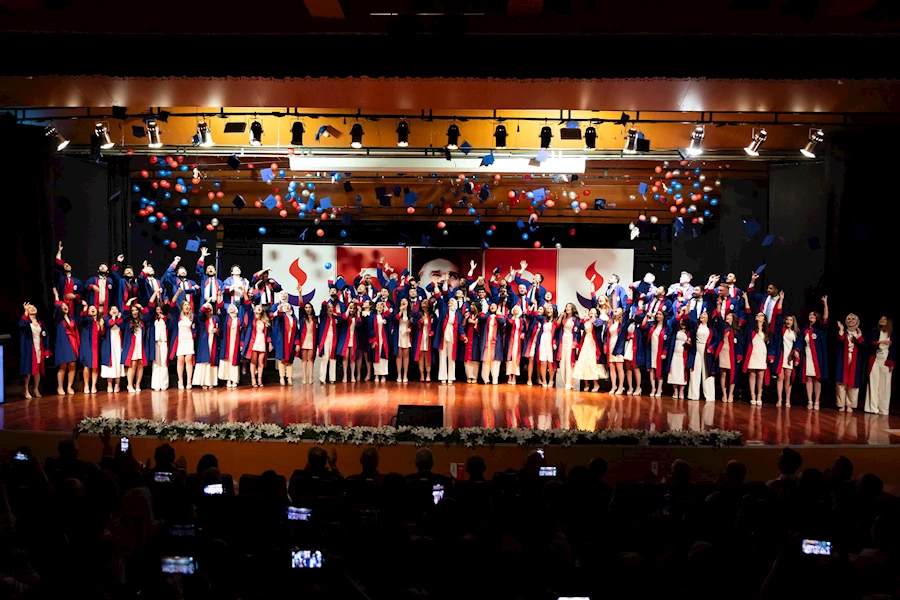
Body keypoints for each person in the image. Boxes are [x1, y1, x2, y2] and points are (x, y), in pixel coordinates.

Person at [798, 296, 829, 410]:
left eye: (814, 315)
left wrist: (825, 304)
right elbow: (799, 343)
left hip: (818, 357)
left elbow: (825, 319)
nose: (811, 316)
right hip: (807, 357)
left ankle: (817, 401)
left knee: (817, 379)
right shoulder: (804, 330)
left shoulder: (820, 331)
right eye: (810, 315)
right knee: (808, 379)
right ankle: (810, 401)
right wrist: (796, 352)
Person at [742, 298, 774, 406]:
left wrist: (771, 356)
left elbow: (771, 345)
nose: (758, 316)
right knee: (752, 375)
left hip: (762, 355)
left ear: (764, 319)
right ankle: (752, 395)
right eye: (757, 315)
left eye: (761, 315)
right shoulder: (751, 328)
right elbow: (748, 314)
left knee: (761, 376)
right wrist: (746, 299)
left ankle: (759, 395)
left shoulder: (767, 332)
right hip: (752, 354)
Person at [770, 292, 799, 408]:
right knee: (780, 378)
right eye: (787, 320)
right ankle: (779, 399)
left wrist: (796, 353)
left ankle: (787, 399)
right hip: (781, 356)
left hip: (789, 358)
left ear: (793, 321)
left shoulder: (796, 332)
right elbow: (778, 315)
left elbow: (798, 345)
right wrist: (781, 300)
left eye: (790, 320)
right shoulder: (781, 330)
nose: (788, 322)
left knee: (788, 379)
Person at [835, 313, 865, 412]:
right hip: (843, 359)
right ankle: (841, 404)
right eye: (849, 319)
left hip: (855, 360)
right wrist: (841, 331)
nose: (851, 321)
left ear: (857, 322)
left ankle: (850, 404)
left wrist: (858, 336)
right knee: (841, 382)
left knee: (853, 383)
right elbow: (838, 344)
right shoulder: (843, 333)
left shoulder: (859, 333)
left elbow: (864, 346)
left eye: (853, 319)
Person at [52, 288, 79, 395]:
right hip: (63, 343)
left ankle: (69, 387)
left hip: (73, 342)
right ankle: (60, 387)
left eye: (66, 305)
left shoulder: (72, 318)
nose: (65, 307)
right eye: (62, 306)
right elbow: (57, 307)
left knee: (72, 364)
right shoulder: (58, 319)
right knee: (63, 366)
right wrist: (57, 297)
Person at [20, 301, 50, 398]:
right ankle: (26, 390)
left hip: (39, 347)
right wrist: (25, 312)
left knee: (37, 369)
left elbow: (46, 336)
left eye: (34, 307)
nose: (32, 308)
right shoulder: (26, 323)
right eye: (30, 308)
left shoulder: (40, 323)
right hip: (29, 348)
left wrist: (47, 350)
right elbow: (21, 325)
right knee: (28, 369)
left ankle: (36, 388)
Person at [865, 316, 894, 415]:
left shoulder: (892, 334)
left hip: (886, 360)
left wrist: (891, 362)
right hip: (875, 359)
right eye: (880, 319)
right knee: (873, 383)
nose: (882, 320)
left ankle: (883, 409)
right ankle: (873, 408)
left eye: (884, 319)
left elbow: (894, 349)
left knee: (884, 385)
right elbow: (869, 343)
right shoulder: (875, 332)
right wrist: (880, 342)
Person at [121, 297, 151, 393]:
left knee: (140, 364)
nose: (134, 312)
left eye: (136, 310)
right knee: (133, 364)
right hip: (132, 345)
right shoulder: (127, 321)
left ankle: (137, 384)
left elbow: (148, 316)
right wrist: (129, 302)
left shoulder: (142, 321)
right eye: (133, 310)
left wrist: (141, 307)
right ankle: (130, 384)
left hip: (140, 345)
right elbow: (124, 314)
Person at [712, 311, 742, 403]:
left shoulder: (738, 330)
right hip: (723, 352)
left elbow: (741, 344)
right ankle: (724, 393)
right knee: (723, 373)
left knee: (732, 374)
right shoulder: (724, 328)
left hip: (732, 353)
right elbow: (719, 319)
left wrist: (739, 355)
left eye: (729, 315)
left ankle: (730, 394)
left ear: (733, 318)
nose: (727, 316)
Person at [270, 291, 298, 386]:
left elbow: (296, 329)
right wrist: (279, 311)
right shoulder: (277, 309)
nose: (284, 295)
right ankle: (282, 377)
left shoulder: (293, 317)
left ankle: (289, 377)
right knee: (281, 358)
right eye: (282, 294)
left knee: (290, 359)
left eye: (285, 294)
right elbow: (275, 316)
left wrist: (297, 342)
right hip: (281, 336)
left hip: (291, 338)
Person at [192, 296, 221, 389]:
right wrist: (206, 303)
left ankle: (211, 381)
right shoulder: (202, 319)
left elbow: (220, 328)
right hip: (204, 342)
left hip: (213, 341)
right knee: (204, 360)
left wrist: (217, 330)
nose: (209, 312)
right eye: (207, 310)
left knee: (212, 360)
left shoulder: (216, 318)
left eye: (210, 310)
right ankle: (203, 381)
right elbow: (200, 313)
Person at [687, 310, 715, 401]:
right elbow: (691, 334)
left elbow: (715, 340)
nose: (702, 315)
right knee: (695, 371)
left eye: (704, 314)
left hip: (706, 350)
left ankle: (709, 395)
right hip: (696, 349)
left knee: (707, 372)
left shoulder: (711, 328)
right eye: (701, 314)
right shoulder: (697, 326)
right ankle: (693, 395)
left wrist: (711, 348)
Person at [435, 296, 464, 384]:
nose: (449, 302)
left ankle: (451, 376)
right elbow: (440, 300)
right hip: (443, 335)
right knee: (442, 356)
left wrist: (463, 335)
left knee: (452, 357)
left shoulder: (458, 314)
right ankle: (442, 376)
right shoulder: (444, 311)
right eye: (449, 301)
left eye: (452, 301)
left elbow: (459, 326)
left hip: (452, 335)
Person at [643, 310, 671, 397]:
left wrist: (664, 352)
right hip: (651, 350)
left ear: (663, 316)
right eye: (657, 314)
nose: (658, 316)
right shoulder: (652, 325)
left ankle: (659, 388)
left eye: (660, 314)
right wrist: (647, 317)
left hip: (660, 351)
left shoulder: (667, 328)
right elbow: (643, 326)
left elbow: (667, 342)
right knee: (651, 369)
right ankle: (653, 388)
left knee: (660, 370)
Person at [172, 290, 196, 390]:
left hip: (189, 340)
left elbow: (196, 328)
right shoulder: (178, 316)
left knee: (188, 360)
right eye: (185, 305)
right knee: (180, 360)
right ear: (182, 307)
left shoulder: (193, 317)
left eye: (188, 305)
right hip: (180, 341)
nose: (187, 306)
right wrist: (177, 293)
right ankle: (180, 380)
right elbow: (172, 303)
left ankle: (189, 381)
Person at [79, 301, 105, 394]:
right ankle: (86, 385)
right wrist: (85, 308)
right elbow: (82, 319)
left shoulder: (99, 321)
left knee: (95, 366)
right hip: (87, 345)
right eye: (90, 308)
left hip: (96, 346)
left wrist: (101, 325)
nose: (92, 309)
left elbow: (102, 334)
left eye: (94, 308)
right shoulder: (87, 320)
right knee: (86, 366)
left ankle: (94, 385)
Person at [242, 303, 271, 387]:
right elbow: (248, 308)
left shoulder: (264, 320)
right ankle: (253, 379)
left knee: (260, 361)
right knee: (253, 361)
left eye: (260, 307)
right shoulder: (252, 318)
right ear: (254, 310)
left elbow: (268, 333)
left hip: (262, 341)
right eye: (257, 307)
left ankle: (259, 379)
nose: (259, 308)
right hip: (254, 341)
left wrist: (269, 343)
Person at [217, 301, 244, 388]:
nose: (231, 308)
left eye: (233, 307)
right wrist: (219, 298)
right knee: (227, 360)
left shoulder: (239, 320)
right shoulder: (226, 318)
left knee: (234, 360)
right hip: (227, 343)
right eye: (230, 307)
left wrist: (241, 344)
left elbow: (242, 333)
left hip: (236, 342)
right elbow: (221, 309)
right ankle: (228, 379)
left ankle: (234, 379)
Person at [148, 292, 171, 391]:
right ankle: (156, 384)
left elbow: (171, 327)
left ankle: (164, 383)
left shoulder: (167, 318)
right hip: (156, 342)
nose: (159, 311)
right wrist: (155, 293)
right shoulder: (153, 318)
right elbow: (149, 305)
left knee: (164, 362)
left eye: (160, 309)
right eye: (157, 309)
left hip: (164, 342)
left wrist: (164, 318)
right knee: (156, 363)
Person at [479, 302, 506, 385]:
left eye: (494, 305)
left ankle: (495, 378)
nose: (493, 306)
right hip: (487, 341)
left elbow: (502, 322)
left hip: (496, 342)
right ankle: (485, 378)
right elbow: (481, 319)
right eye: (491, 305)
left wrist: (498, 314)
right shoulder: (487, 316)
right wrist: (484, 310)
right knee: (486, 360)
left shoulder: (499, 316)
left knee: (496, 361)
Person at [666, 312, 692, 399]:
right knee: (674, 371)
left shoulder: (689, 332)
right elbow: (672, 322)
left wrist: (689, 343)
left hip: (683, 355)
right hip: (675, 354)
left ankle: (681, 391)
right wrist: (680, 314)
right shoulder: (675, 330)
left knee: (682, 372)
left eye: (684, 322)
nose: (682, 323)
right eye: (681, 321)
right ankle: (675, 391)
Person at [54, 241, 83, 318]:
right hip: (62, 306)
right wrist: (59, 252)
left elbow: (82, 294)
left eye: (68, 265)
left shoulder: (77, 281)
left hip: (74, 308)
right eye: (65, 265)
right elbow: (57, 265)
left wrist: (74, 296)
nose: (67, 265)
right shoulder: (61, 279)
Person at [337, 302, 364, 383]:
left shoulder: (356, 318)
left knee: (353, 358)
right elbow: (344, 318)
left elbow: (359, 325)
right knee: (345, 357)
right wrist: (348, 308)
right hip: (345, 339)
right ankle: (345, 375)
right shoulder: (345, 316)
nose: (352, 310)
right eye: (351, 308)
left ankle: (352, 375)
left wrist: (358, 313)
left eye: (353, 309)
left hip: (353, 339)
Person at [100, 305, 125, 392]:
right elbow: (109, 324)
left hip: (118, 345)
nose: (114, 310)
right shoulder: (106, 319)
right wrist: (113, 317)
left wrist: (118, 318)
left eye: (116, 309)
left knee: (118, 363)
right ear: (109, 312)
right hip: (109, 346)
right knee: (110, 365)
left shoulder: (120, 319)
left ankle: (117, 384)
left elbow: (122, 326)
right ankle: (109, 384)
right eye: (112, 309)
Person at [556, 302, 580, 390]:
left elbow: (577, 332)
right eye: (566, 307)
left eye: (569, 307)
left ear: (572, 309)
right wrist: (561, 316)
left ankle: (569, 383)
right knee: (563, 361)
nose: (567, 308)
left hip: (570, 339)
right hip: (563, 340)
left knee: (569, 361)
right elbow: (557, 325)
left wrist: (575, 343)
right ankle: (565, 381)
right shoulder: (564, 318)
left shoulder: (575, 319)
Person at [606, 307, 629, 394]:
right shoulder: (611, 322)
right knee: (612, 367)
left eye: (618, 309)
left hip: (619, 346)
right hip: (611, 345)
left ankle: (621, 386)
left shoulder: (622, 322)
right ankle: (613, 386)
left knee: (619, 367)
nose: (616, 310)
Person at [296, 292, 317, 385]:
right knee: (304, 360)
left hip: (312, 341)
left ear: (312, 308)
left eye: (309, 307)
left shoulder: (315, 318)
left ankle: (311, 377)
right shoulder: (302, 317)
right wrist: (300, 293)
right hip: (303, 341)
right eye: (306, 307)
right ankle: (304, 377)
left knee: (310, 360)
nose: (308, 309)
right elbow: (300, 305)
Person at [369, 300, 392, 383]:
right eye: (378, 305)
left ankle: (383, 375)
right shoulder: (372, 317)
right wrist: (373, 340)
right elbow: (370, 328)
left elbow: (390, 317)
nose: (379, 306)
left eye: (381, 305)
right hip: (376, 338)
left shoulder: (385, 316)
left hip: (384, 339)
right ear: (375, 307)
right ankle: (376, 375)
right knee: (376, 357)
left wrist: (385, 307)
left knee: (383, 357)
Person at [413, 298, 435, 382]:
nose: (424, 303)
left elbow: (435, 325)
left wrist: (432, 332)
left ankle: (428, 374)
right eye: (423, 302)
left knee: (428, 355)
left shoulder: (432, 314)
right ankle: (422, 374)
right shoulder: (417, 314)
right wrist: (420, 321)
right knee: (420, 355)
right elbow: (413, 325)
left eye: (426, 302)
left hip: (428, 337)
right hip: (420, 336)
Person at [317, 301, 339, 384]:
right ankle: (322, 378)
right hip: (325, 339)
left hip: (333, 338)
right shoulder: (323, 316)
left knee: (332, 358)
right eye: (329, 307)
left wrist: (338, 313)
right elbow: (322, 310)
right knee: (325, 357)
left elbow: (341, 321)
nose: (330, 309)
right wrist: (324, 303)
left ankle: (332, 378)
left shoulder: (335, 317)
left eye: (332, 307)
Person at [392, 297, 413, 383]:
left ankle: (405, 374)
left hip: (406, 335)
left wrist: (410, 329)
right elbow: (394, 320)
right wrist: (400, 311)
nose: (403, 302)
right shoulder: (397, 311)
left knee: (406, 355)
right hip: (399, 334)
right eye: (402, 301)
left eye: (405, 301)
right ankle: (399, 374)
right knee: (399, 355)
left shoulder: (410, 313)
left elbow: (413, 324)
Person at [505, 304, 526, 384]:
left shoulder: (521, 320)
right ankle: (509, 376)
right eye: (514, 309)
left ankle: (514, 376)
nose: (515, 311)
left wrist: (523, 333)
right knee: (509, 358)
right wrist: (513, 319)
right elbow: (508, 327)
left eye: (517, 309)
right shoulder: (509, 320)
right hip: (510, 341)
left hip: (518, 341)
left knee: (516, 358)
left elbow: (525, 329)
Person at [538, 304, 558, 388]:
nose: (549, 310)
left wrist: (555, 342)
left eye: (550, 308)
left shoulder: (556, 320)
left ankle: (551, 380)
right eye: (548, 309)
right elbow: (535, 316)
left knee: (550, 362)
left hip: (550, 340)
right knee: (543, 361)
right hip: (543, 340)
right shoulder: (544, 319)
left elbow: (557, 333)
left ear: (553, 310)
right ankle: (544, 380)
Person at [463, 301, 482, 384]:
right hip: (468, 338)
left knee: (475, 358)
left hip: (477, 338)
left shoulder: (480, 316)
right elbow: (463, 325)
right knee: (467, 358)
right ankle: (468, 375)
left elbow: (483, 327)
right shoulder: (468, 315)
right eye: (471, 304)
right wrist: (465, 318)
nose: (471, 306)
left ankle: (474, 376)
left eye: (473, 305)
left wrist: (474, 322)